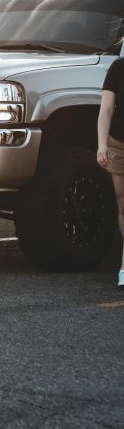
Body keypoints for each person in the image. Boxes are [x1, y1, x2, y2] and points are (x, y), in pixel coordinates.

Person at [96, 53, 124, 289]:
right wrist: (102, 145)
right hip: (119, 142)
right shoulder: (118, 68)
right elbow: (106, 109)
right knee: (122, 202)